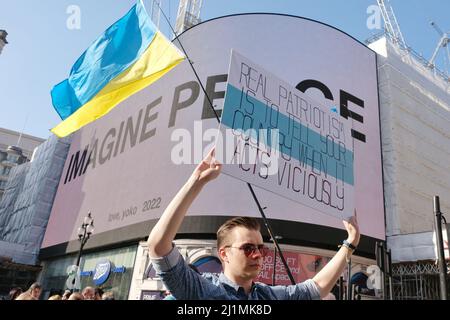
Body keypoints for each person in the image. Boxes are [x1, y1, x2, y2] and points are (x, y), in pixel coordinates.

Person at [147, 148, 360, 300]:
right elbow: (158, 247)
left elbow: (317, 288)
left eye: (261, 248)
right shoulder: (201, 290)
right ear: (224, 253)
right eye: (248, 248)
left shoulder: (268, 295)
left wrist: (350, 243)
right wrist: (197, 181)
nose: (258, 255)